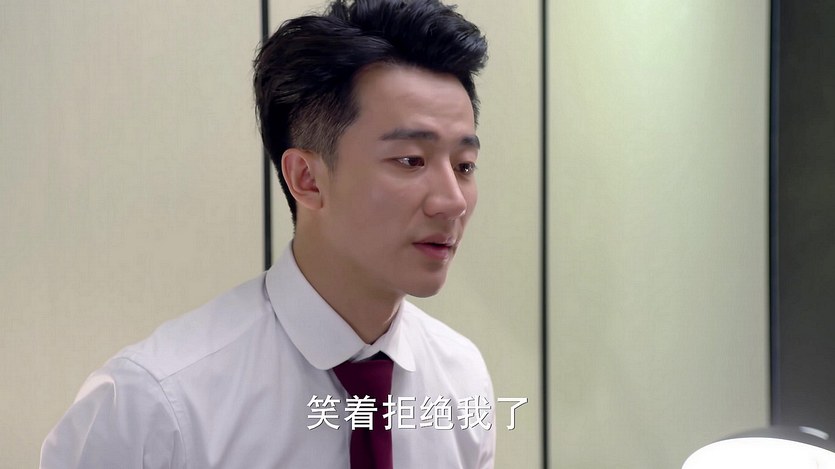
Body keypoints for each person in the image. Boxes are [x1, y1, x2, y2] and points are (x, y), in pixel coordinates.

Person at [40, 0, 493, 467]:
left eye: (464, 166)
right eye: (411, 160)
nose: (452, 201)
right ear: (307, 179)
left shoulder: (461, 379)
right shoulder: (154, 406)